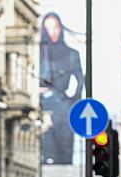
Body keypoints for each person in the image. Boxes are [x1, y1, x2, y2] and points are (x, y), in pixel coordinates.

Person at [39, 12, 83, 165]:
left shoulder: (72, 54)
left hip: (64, 107)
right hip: (42, 106)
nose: (53, 32)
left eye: (56, 27)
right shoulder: (38, 53)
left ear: (61, 29)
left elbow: (80, 80)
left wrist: (73, 101)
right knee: (47, 147)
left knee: (65, 149)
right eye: (48, 28)